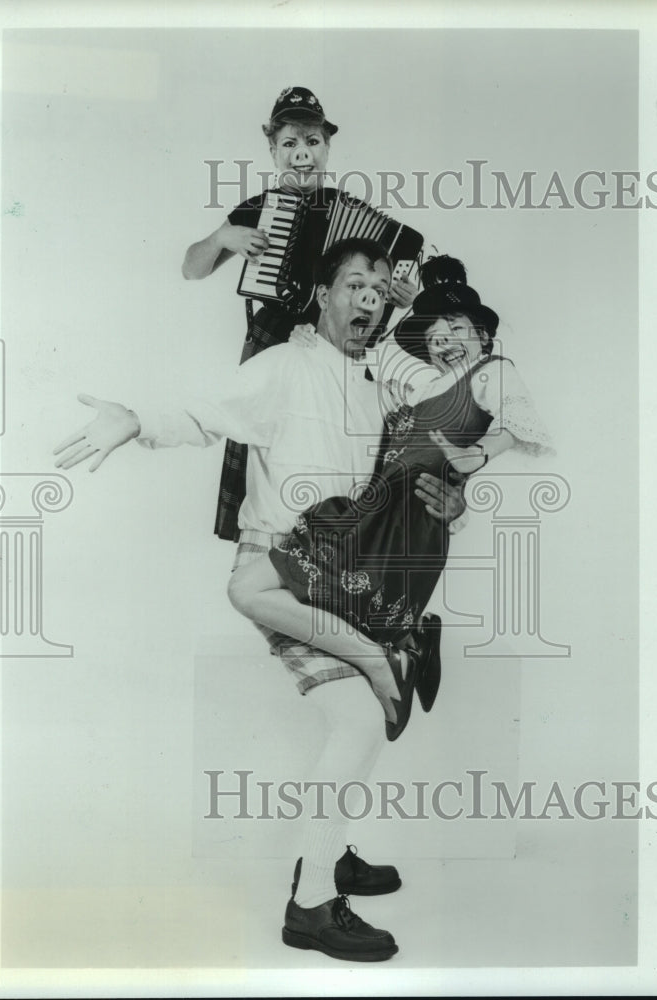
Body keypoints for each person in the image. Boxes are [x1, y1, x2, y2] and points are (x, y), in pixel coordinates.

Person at [54, 238, 456, 963]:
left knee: (369, 721)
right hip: (283, 568)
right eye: (351, 283)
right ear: (322, 296)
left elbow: (446, 428)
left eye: (377, 286)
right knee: (363, 717)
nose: (365, 295)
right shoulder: (281, 366)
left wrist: (447, 489)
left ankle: (330, 849)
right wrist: (135, 420)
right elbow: (201, 418)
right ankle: (309, 910)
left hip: (354, 567)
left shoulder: (384, 377)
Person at [227, 256, 555, 739]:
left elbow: (517, 418)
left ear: (483, 337)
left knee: (247, 589)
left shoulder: (490, 370)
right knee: (261, 591)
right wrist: (308, 335)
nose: (444, 342)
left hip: (398, 527)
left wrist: (473, 461)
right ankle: (407, 642)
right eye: (435, 336)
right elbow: (368, 358)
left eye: (457, 330)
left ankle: (395, 655)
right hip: (376, 516)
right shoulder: (418, 387)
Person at [181, 86, 417, 542]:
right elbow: (191, 269)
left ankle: (335, 547)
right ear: (272, 150)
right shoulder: (255, 211)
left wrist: (400, 297)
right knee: (271, 462)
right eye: (290, 143)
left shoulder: (355, 215)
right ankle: (268, 558)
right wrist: (221, 238)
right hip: (274, 344)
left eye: (312, 142)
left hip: (337, 353)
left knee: (334, 453)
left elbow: (376, 296)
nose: (302, 154)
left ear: (328, 146)